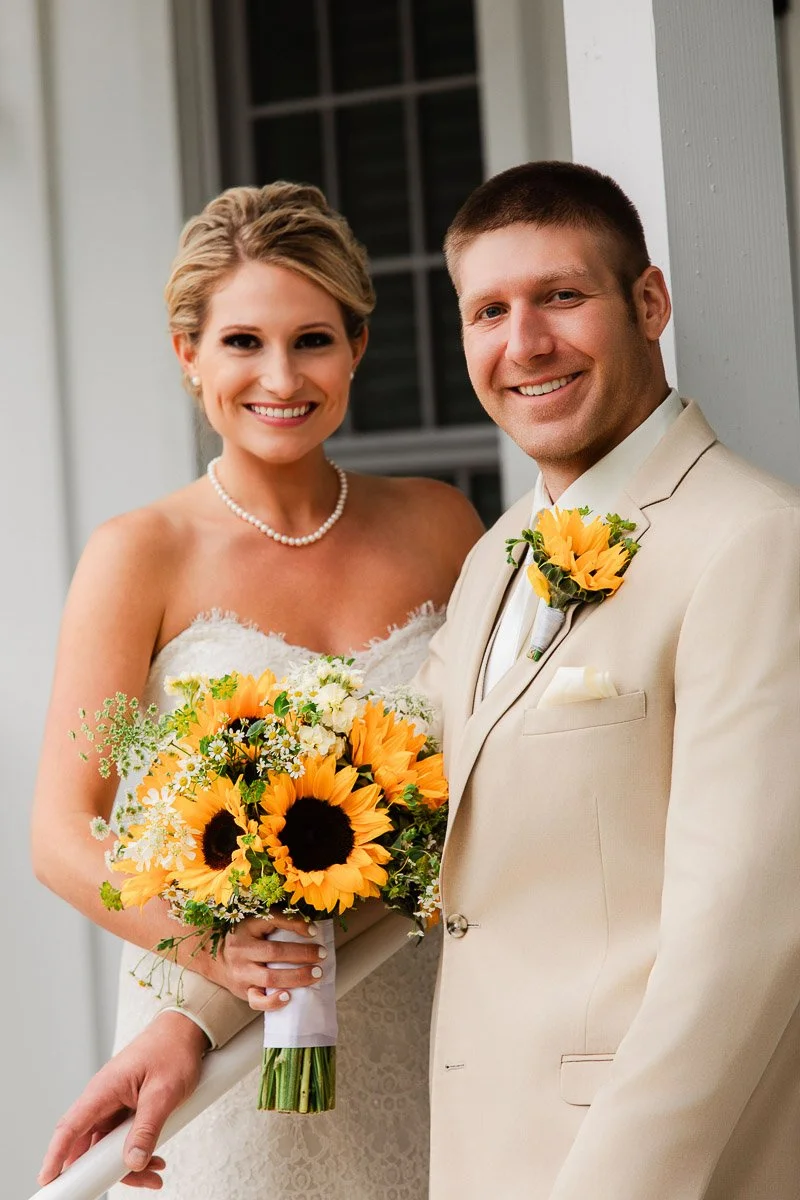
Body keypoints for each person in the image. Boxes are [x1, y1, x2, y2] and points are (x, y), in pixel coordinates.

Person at [40, 161, 800, 1200]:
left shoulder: (749, 542)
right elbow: (408, 819)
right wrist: (195, 1014)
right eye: (488, 311)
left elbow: (742, 943)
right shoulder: (502, 555)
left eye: (561, 296)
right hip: (464, 1127)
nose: (524, 342)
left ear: (649, 303)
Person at [31, 181, 483, 1198]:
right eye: (242, 342)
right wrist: (213, 949)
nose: (281, 377)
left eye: (312, 340)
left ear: (357, 346)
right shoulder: (139, 554)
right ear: (187, 353)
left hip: (426, 1010)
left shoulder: (441, 526)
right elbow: (62, 834)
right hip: (223, 1044)